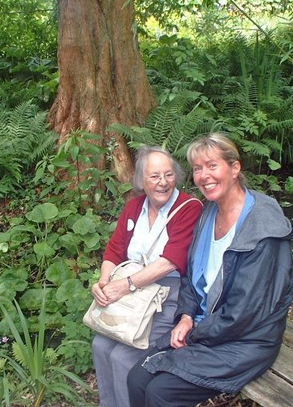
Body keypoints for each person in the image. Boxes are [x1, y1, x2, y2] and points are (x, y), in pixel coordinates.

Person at [127, 133, 293, 407]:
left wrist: (194, 334)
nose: (204, 176)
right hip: (208, 328)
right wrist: (184, 316)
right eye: (197, 168)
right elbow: (192, 279)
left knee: (161, 393)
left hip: (247, 339)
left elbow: (245, 311)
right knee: (137, 377)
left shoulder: (263, 226)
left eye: (212, 165)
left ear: (235, 168)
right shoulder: (208, 213)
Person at [91, 146, 203, 407]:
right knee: (100, 345)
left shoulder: (189, 208)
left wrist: (126, 285)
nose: (163, 182)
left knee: (124, 357)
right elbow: (114, 250)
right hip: (131, 295)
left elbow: (171, 261)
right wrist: (105, 282)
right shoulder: (133, 208)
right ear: (141, 180)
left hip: (167, 297)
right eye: (154, 176)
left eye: (169, 175)